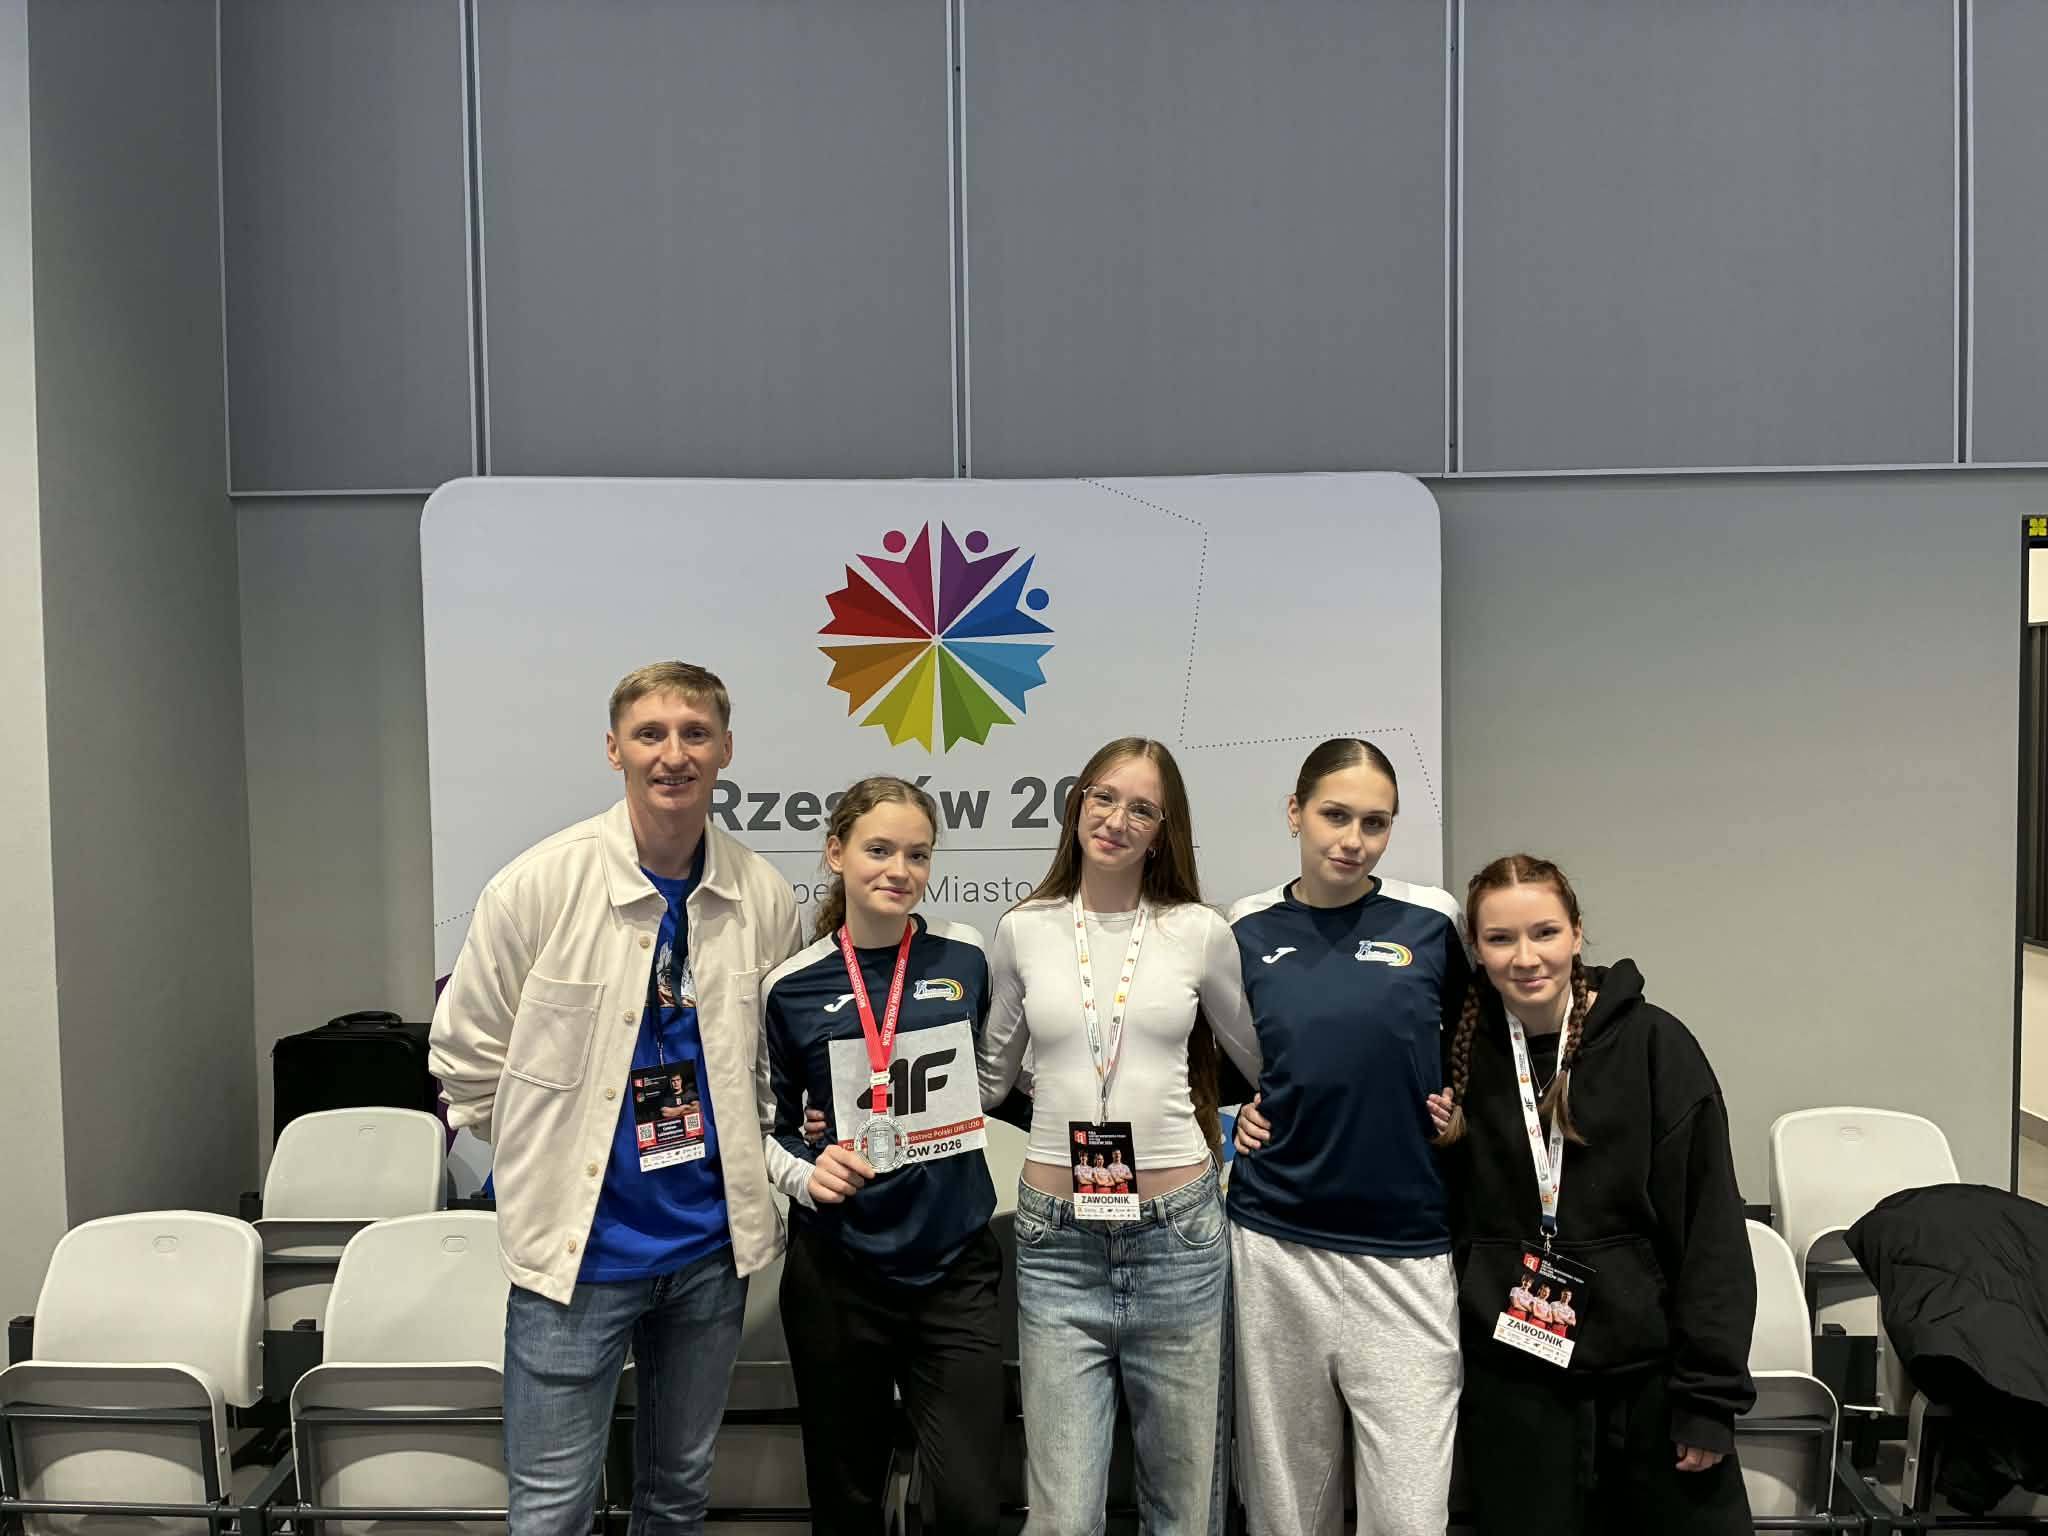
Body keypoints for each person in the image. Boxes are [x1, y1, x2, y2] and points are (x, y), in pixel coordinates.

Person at [429, 661, 802, 1533]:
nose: (674, 755)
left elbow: (768, 1070)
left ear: (725, 749)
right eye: (650, 734)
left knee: (678, 1496)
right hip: (578, 1259)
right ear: (614, 749)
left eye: (695, 734)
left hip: (708, 1254)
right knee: (551, 1510)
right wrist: (541, 1158)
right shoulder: (537, 886)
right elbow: (464, 1056)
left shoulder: (762, 896)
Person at [977, 737, 1257, 1536]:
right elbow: (989, 1080)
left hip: (1179, 1239)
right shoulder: (1025, 929)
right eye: (1102, 797)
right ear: (1077, 805)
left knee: (1183, 1510)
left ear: (1164, 832)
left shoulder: (1198, 931)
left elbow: (1258, 1061)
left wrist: (1261, 1115)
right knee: (1063, 1518)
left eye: (1141, 809)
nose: (1115, 819)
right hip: (1056, 1245)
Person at [1430, 854, 1755, 1534]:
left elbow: (1711, 1233)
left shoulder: (1655, 1046)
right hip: (1515, 1389)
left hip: (1648, 1387)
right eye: (1500, 938)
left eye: (1545, 932)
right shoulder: (1456, 1056)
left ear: (1577, 933)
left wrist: (1708, 1399)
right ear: (1476, 950)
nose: (1526, 957)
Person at [1224, 738, 1466, 1536]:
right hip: (1277, 1243)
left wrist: (1463, 1108)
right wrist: (1231, 1114)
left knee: (1411, 1515)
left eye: (1375, 822)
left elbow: (1476, 1044)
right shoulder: (1245, 926)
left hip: (1406, 1250)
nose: (1352, 839)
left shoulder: (1432, 920)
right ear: (1295, 812)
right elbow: (1212, 1057)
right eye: (1335, 815)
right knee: (1288, 1512)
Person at [760, 776, 1003, 1535]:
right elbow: (764, 1126)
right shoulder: (789, 987)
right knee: (847, 1506)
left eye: (917, 854)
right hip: (839, 1274)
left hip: (953, 1265)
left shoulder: (965, 956)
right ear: (836, 854)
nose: (900, 870)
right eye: (879, 850)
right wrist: (807, 1173)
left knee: (969, 1509)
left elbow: (1003, 1079)